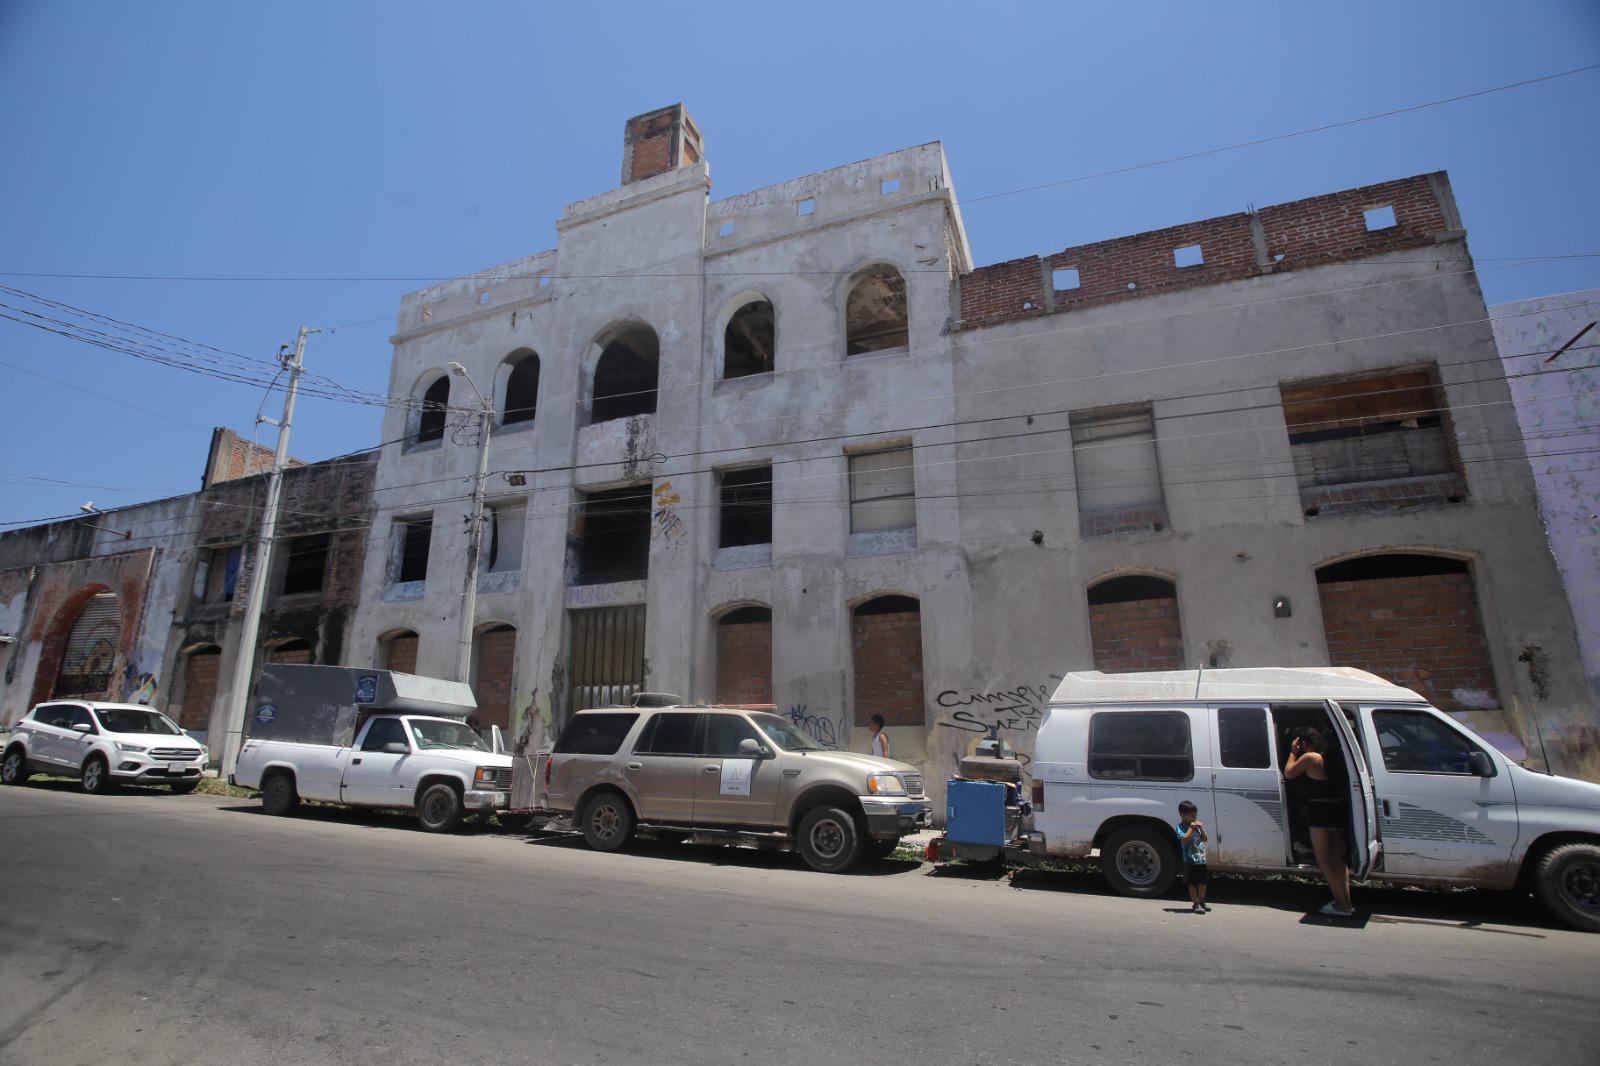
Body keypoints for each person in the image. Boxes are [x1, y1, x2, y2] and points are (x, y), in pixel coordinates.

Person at [1284, 727, 1355, 917]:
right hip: (1335, 809)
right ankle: (1345, 901)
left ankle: (1341, 905)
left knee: (1325, 859)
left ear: (1303, 743)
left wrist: (1293, 752)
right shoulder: (1329, 757)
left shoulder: (1311, 758)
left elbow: (1289, 773)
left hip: (1320, 812)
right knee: (1337, 859)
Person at [1175, 800, 1209, 913]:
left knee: (1203, 883)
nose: (1194, 817)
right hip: (1190, 860)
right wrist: (1191, 828)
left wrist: (1201, 829)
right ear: (1182, 815)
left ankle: (1202, 900)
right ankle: (1195, 903)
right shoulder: (1180, 826)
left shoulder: (1197, 826)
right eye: (1192, 815)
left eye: (1195, 815)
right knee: (1193, 883)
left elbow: (1205, 839)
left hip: (1201, 859)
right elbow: (1184, 839)